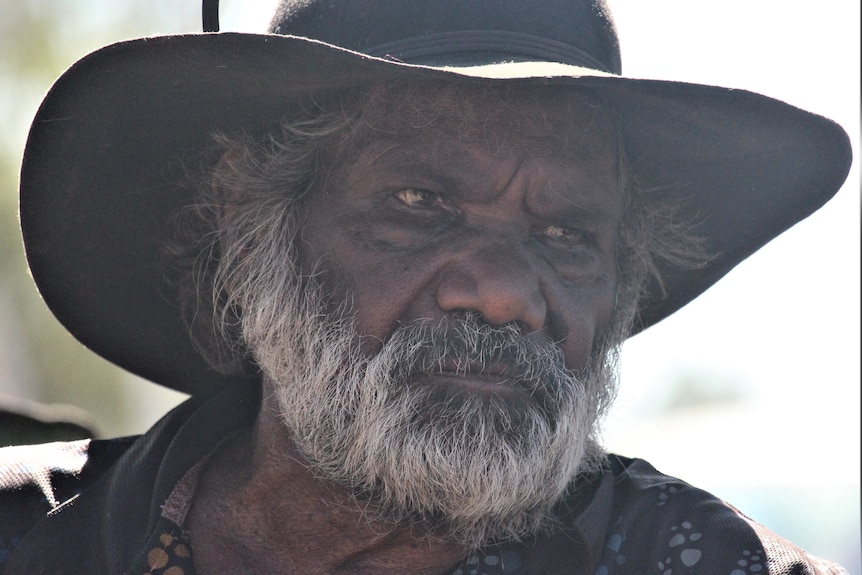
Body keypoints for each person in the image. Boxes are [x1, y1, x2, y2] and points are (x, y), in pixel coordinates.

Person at [0, 0, 852, 573]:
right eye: (421, 204)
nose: (506, 296)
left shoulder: (699, 561)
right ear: (246, 225)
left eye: (566, 235)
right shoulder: (30, 535)